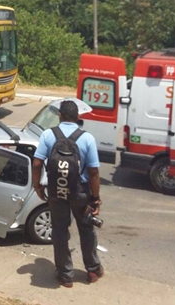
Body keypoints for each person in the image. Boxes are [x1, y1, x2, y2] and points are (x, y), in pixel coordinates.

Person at [33, 100, 103, 287]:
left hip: (56, 191)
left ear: (60, 115)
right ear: (78, 117)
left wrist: (38, 186)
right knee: (86, 229)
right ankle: (93, 270)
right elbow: (94, 172)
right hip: (80, 191)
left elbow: (37, 163)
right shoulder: (87, 138)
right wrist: (95, 199)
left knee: (60, 230)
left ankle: (65, 275)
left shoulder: (48, 135)